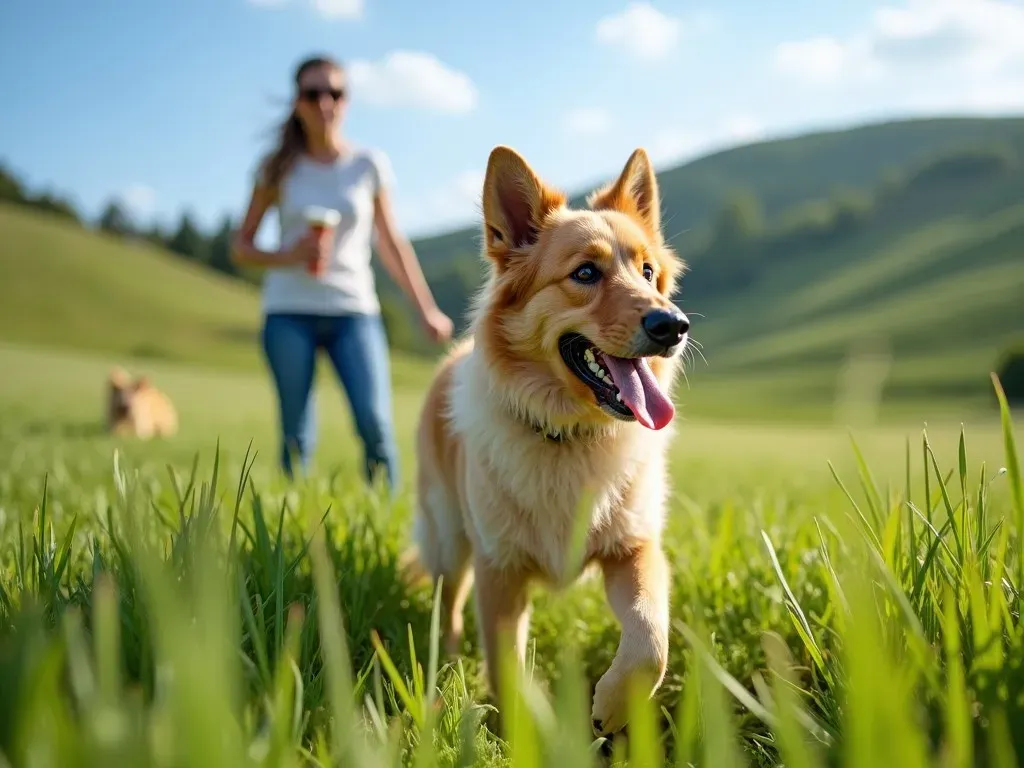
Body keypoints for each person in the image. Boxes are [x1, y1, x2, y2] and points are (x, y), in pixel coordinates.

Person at [231, 54, 453, 492]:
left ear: (347, 101)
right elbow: (241, 247)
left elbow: (390, 243)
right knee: (295, 434)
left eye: (335, 93)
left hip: (354, 309)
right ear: (297, 102)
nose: (325, 103)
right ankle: (291, 529)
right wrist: (289, 254)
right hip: (288, 310)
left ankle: (387, 527)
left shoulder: (368, 164)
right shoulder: (276, 167)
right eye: (313, 94)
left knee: (375, 424)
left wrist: (426, 310)